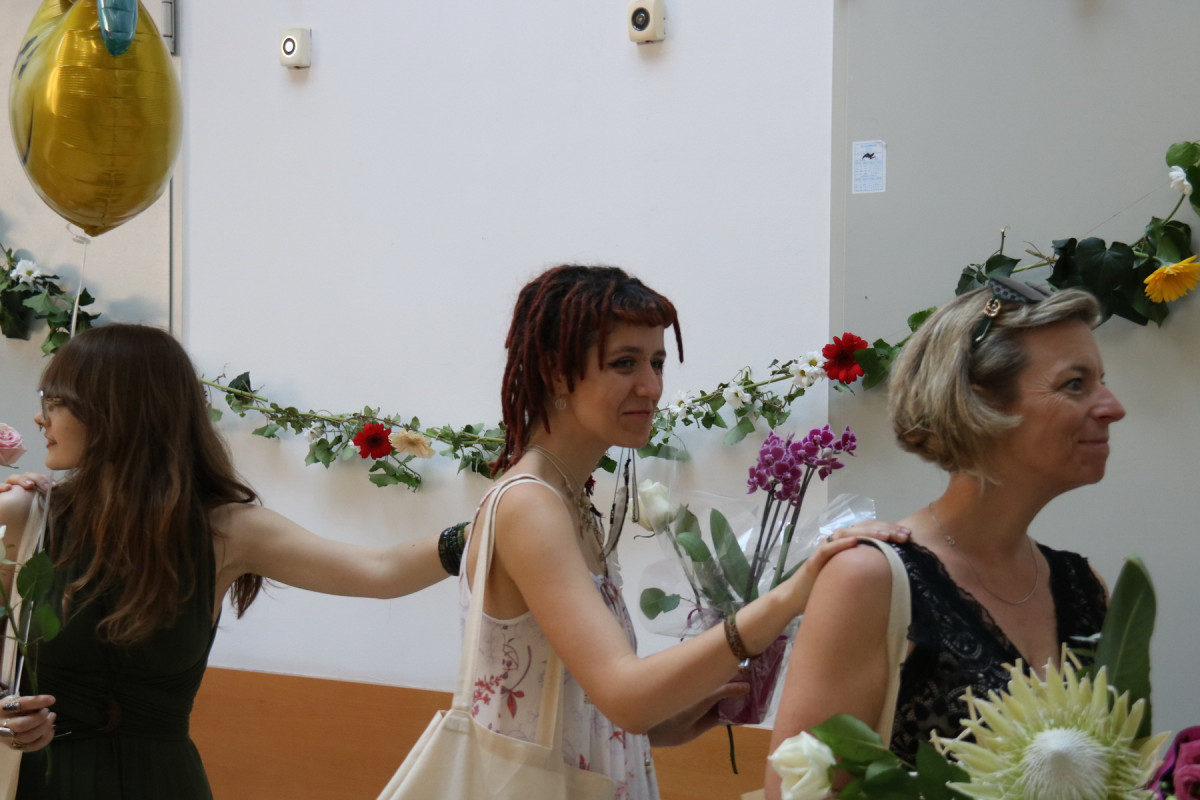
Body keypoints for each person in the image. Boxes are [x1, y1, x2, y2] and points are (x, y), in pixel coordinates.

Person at [463, 264, 910, 799]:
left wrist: (661, 725)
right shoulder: (529, 505)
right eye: (624, 363)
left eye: (656, 362)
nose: (651, 387)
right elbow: (625, 695)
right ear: (556, 373)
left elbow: (580, 700)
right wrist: (789, 597)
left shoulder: (569, 499)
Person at [0, 323, 466, 799]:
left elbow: (380, 571)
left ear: (117, 410)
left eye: (56, 402)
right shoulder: (25, 515)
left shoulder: (226, 529)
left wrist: (478, 533)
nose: (40, 418)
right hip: (38, 782)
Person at [762, 279, 1120, 799]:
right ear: (980, 403)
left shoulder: (1086, 590)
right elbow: (796, 793)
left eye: (1101, 382)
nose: (1112, 407)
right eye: (1075, 384)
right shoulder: (870, 581)